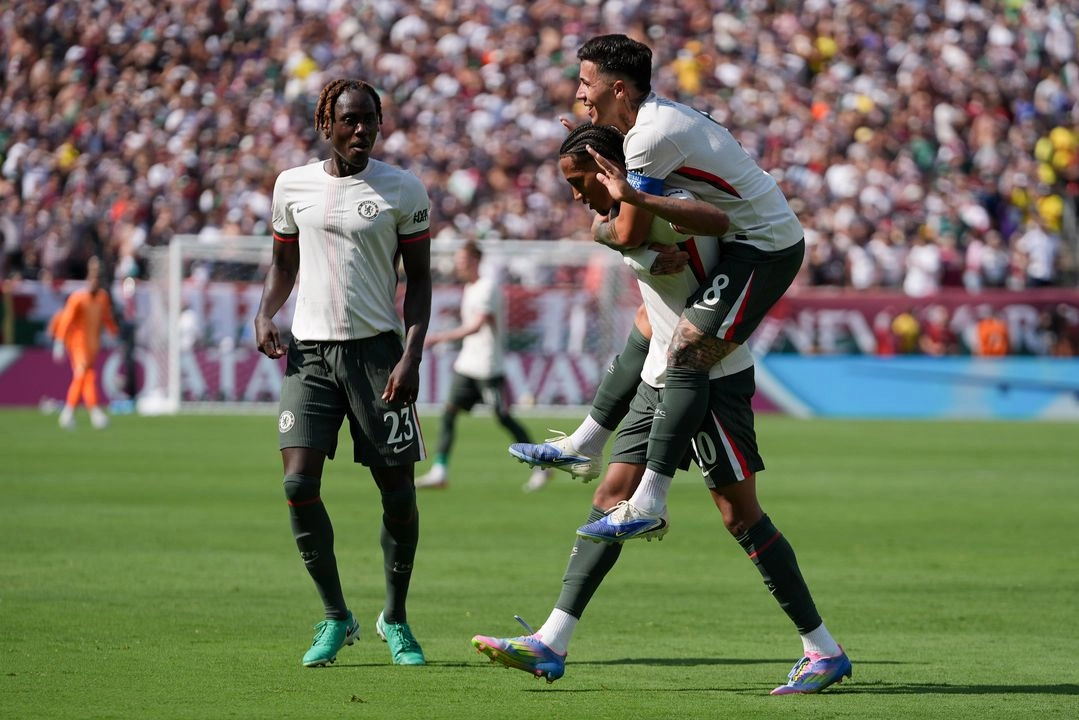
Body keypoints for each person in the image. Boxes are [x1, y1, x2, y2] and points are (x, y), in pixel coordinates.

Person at [475, 123, 850, 696]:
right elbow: (647, 314)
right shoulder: (628, 221)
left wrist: (631, 228)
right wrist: (620, 238)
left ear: (609, 170)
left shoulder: (664, 206)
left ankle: (822, 649)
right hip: (663, 376)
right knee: (608, 499)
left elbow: (712, 223)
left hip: (711, 377)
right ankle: (552, 640)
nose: (577, 197)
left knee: (740, 515)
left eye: (581, 183)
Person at [516, 35, 807, 546]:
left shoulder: (649, 138)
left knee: (688, 349)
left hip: (765, 245)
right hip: (738, 239)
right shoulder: (644, 125)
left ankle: (648, 499)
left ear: (619, 88)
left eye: (587, 83)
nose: (580, 93)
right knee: (653, 323)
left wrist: (600, 226)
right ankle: (587, 442)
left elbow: (624, 230)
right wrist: (592, 150)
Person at [253, 78, 432, 669]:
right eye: (350, 121)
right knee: (298, 485)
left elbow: (421, 283)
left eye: (371, 120)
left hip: (380, 356)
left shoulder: (402, 189)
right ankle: (336, 616)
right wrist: (265, 313)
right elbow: (283, 263)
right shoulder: (291, 186)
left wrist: (411, 355)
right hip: (310, 356)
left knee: (399, 496)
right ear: (325, 125)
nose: (362, 130)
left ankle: (396, 618)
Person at [416, 241, 551, 492]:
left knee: (503, 418)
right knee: (449, 412)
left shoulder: (488, 287)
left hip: (487, 365)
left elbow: (477, 326)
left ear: (476, 260)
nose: (459, 265)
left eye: (463, 260)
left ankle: (542, 465)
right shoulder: (472, 287)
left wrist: (438, 337)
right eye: (458, 261)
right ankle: (440, 470)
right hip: (468, 362)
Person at [48, 256, 119, 429]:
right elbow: (66, 319)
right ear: (88, 279)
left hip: (93, 345)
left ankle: (88, 413)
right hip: (78, 344)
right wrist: (59, 340)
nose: (96, 282)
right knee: (81, 375)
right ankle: (72, 412)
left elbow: (107, 318)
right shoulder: (78, 298)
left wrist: (113, 333)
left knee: (88, 377)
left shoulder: (102, 298)